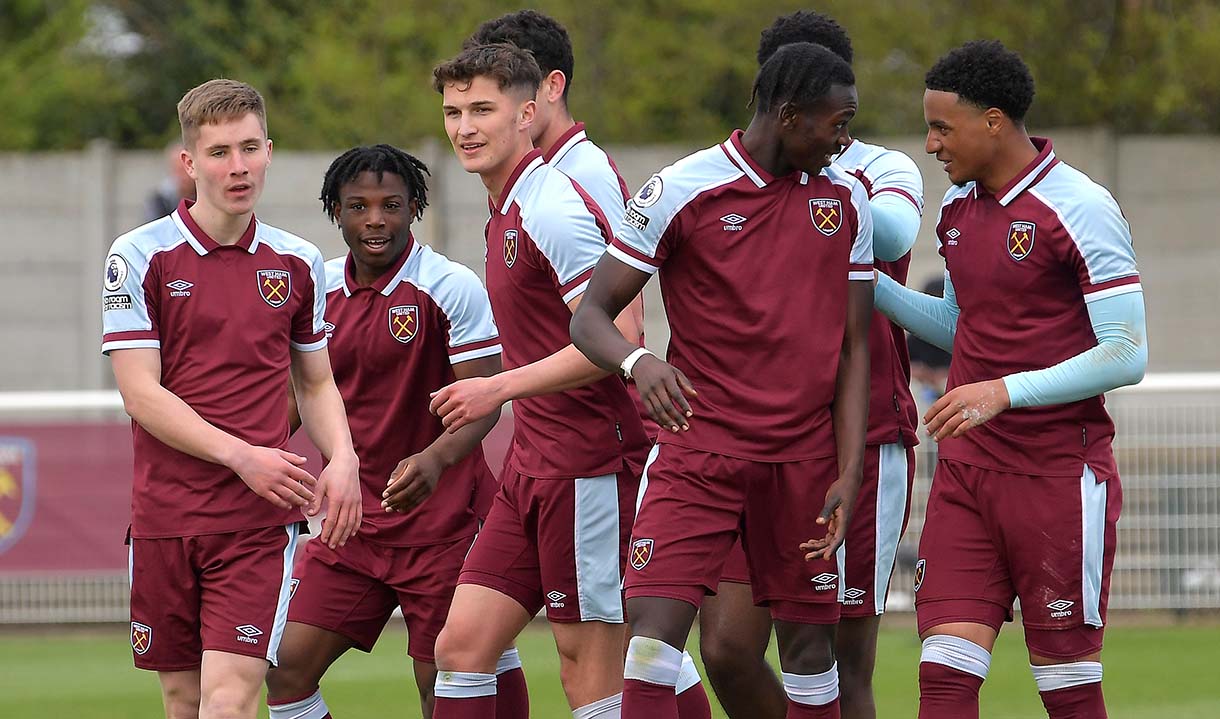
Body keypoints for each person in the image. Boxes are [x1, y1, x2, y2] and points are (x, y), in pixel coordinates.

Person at [570, 42, 873, 719]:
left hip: (801, 463)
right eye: (838, 123)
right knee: (651, 644)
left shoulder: (846, 200)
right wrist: (638, 361)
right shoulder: (681, 190)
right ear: (790, 115)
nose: (844, 140)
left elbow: (855, 350)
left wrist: (848, 470)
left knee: (810, 657)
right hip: (696, 452)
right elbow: (589, 318)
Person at [874, 40, 1146, 719]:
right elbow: (964, 329)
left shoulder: (1080, 205)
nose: (931, 144)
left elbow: (1126, 352)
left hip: (1057, 475)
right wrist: (866, 285)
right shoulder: (960, 209)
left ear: (994, 121)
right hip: (968, 474)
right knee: (942, 676)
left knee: (1069, 690)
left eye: (942, 127)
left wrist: (1004, 389)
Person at [101, 79, 361, 719]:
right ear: (189, 163)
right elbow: (141, 393)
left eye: (249, 148)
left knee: (231, 698)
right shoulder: (138, 255)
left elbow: (317, 381)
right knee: (183, 698)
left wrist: (345, 458)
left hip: (257, 524)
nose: (238, 167)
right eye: (219, 152)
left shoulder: (298, 262)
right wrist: (244, 455)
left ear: (269, 151)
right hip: (164, 516)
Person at [696, 12, 923, 719]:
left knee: (837, 660)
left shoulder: (877, 167)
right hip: (751, 439)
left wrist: (819, 166)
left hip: (862, 431)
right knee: (729, 649)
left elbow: (894, 231)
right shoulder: (721, 177)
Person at [427, 43, 651, 719]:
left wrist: (497, 387)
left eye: (482, 109)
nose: (465, 126)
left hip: (589, 467)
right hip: (534, 465)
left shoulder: (551, 206)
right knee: (462, 646)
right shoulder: (506, 205)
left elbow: (620, 341)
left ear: (528, 114)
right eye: (453, 111)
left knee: (591, 672)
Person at [263, 145, 519, 719]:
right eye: (358, 206)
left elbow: (484, 402)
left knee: (445, 685)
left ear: (413, 209)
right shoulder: (316, 289)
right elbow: (296, 397)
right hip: (349, 524)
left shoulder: (449, 287)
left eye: (390, 205)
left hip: (443, 525)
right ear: (336, 211)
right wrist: (248, 457)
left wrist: (432, 459)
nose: (375, 219)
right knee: (285, 673)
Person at [466, 10, 658, 438]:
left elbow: (625, 321)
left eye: (512, 83)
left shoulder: (582, 173)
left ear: (550, 87)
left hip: (598, 431)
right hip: (548, 432)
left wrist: (500, 387)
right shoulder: (520, 176)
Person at [144, 141, 197, 223]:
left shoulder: (206, 197)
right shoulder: (160, 200)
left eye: (185, 170)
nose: (182, 176)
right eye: (178, 170)